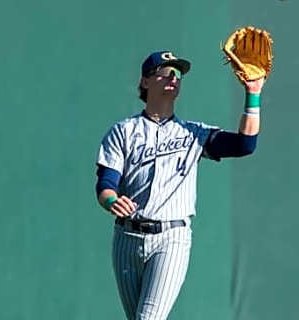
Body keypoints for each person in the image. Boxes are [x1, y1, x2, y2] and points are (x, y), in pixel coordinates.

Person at [93, 50, 264, 320]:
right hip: (127, 239)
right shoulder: (123, 132)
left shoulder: (193, 134)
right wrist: (112, 201)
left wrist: (252, 93)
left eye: (178, 73)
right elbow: (106, 184)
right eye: (166, 71)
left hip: (171, 238)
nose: (174, 77)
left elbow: (245, 145)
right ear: (146, 82)